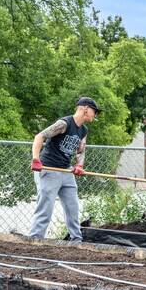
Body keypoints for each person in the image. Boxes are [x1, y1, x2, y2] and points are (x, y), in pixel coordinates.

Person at [28, 97, 102, 242]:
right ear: (86, 108)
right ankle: (35, 239)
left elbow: (81, 151)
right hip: (49, 169)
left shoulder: (83, 130)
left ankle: (76, 240)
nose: (95, 114)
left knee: (72, 208)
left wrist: (79, 165)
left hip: (66, 171)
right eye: (95, 111)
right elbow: (39, 137)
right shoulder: (64, 124)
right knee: (45, 208)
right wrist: (36, 159)